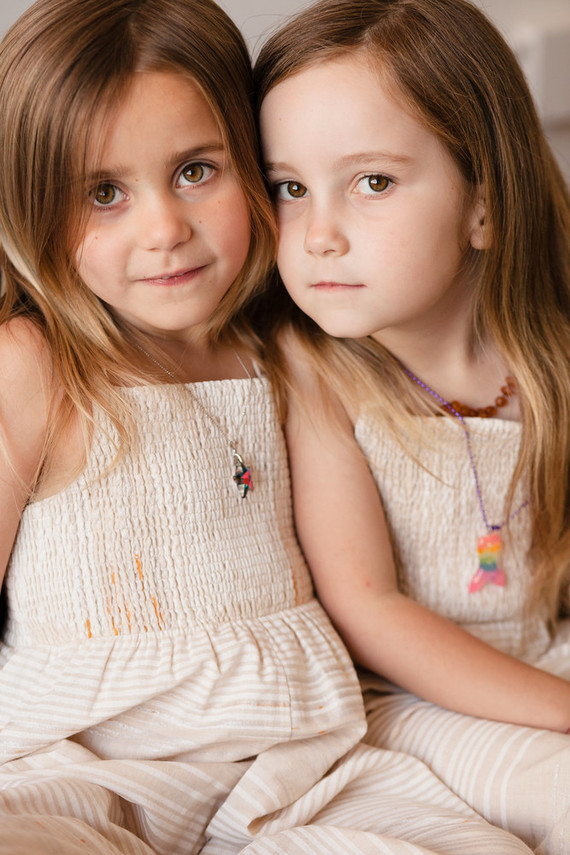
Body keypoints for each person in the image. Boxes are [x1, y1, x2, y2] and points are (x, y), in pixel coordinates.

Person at [0, 0, 541, 853]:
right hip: (84, 770)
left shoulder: (284, 350)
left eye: (195, 171)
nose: (164, 229)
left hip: (295, 772)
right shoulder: (34, 364)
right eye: (104, 192)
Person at [255, 0, 570, 852]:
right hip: (405, 704)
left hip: (545, 665)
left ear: (485, 207)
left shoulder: (548, 360)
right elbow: (369, 607)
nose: (317, 234)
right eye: (289, 187)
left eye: (373, 182)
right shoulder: (315, 375)